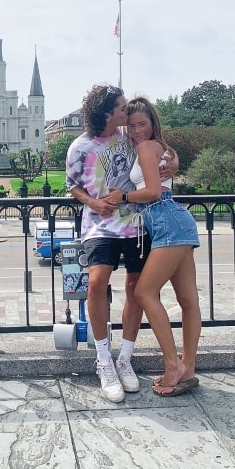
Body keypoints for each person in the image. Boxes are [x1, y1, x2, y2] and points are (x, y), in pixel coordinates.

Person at [66, 84, 178, 402]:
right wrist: (94, 202)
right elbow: (72, 185)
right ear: (106, 113)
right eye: (120, 107)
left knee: (135, 289)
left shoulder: (130, 138)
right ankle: (104, 360)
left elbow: (159, 150)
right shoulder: (80, 146)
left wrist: (174, 162)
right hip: (100, 225)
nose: (126, 110)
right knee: (97, 283)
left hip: (136, 223)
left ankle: (125, 358)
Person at [105, 95, 201, 397]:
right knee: (188, 301)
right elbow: (164, 174)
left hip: (167, 222)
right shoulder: (161, 148)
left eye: (142, 124)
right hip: (177, 222)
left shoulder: (147, 147)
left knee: (144, 292)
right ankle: (189, 368)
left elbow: (153, 192)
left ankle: (173, 366)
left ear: (152, 123)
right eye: (131, 126)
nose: (135, 131)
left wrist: (121, 197)